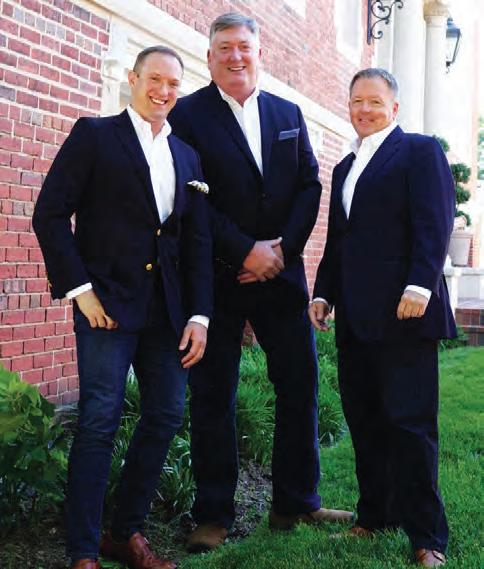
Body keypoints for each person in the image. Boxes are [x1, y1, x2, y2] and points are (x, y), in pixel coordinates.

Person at [169, 12, 353, 553]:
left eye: (244, 46)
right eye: (224, 47)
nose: (235, 56)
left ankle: (295, 501)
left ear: (258, 52)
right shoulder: (186, 115)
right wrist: (243, 249)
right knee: (213, 395)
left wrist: (281, 251)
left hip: (281, 276)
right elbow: (189, 196)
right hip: (217, 279)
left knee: (299, 385)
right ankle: (213, 513)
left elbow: (309, 186)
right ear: (209, 57)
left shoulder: (287, 113)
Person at [33, 46, 212, 569]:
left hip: (167, 313)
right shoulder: (94, 135)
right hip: (105, 307)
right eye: (154, 79)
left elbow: (195, 241)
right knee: (99, 421)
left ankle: (125, 533)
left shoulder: (187, 156)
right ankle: (83, 550)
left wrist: (199, 315)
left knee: (166, 414)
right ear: (133, 79)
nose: (163, 91)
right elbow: (50, 215)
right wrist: (80, 290)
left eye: (173, 84)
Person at [309, 68, 456, 568]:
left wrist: (420, 285)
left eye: (375, 101)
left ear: (394, 108)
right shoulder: (344, 166)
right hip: (354, 316)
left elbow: (435, 222)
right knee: (365, 420)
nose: (365, 109)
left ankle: (427, 536)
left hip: (404, 312)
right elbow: (339, 238)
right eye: (357, 101)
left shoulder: (419, 151)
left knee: (410, 425)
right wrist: (323, 293)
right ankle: (374, 516)